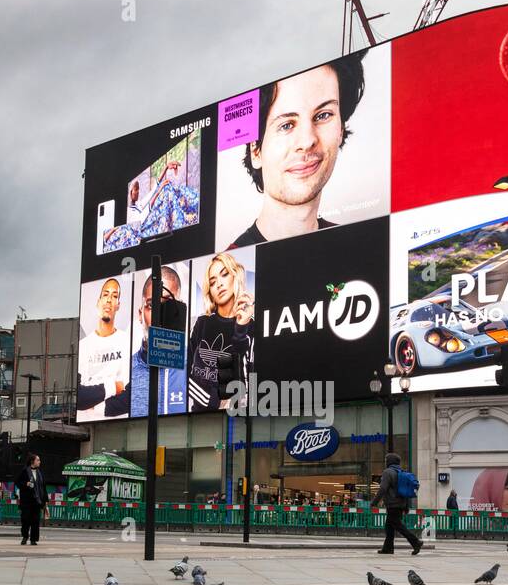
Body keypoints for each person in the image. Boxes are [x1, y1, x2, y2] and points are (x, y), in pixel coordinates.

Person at [230, 51, 367, 248]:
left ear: (341, 129)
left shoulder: (359, 247)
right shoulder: (230, 263)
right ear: (256, 151)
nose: (308, 140)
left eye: (323, 115)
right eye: (286, 125)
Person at [187, 252, 254, 411]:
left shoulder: (250, 325)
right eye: (212, 281)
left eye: (224, 275)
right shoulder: (202, 323)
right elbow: (182, 373)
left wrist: (240, 329)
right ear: (209, 290)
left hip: (237, 416)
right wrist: (213, 400)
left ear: (235, 276)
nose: (219, 284)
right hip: (198, 418)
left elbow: (246, 377)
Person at [129, 265, 189, 417]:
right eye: (151, 306)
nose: (159, 315)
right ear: (140, 313)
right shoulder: (126, 370)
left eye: (167, 305)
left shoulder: (194, 364)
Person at [77, 278, 130, 421]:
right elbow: (79, 397)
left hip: (122, 423)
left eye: (114, 296)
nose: (109, 300)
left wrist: (95, 405)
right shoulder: (83, 346)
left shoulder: (127, 342)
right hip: (86, 426)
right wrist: (113, 386)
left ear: (118, 305)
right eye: (105, 294)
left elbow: (129, 395)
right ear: (98, 301)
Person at [371, 452, 421, 556]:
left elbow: (383, 488)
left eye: (386, 460)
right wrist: (406, 506)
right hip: (400, 504)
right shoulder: (401, 472)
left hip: (392, 504)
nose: (385, 462)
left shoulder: (388, 472)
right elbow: (404, 491)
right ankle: (388, 548)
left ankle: (416, 542)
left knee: (398, 525)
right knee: (389, 526)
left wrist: (374, 502)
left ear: (389, 462)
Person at [15, 453, 46, 546]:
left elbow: (43, 487)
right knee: (25, 519)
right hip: (26, 501)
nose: (39, 462)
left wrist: (45, 501)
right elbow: (17, 482)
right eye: (38, 460)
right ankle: (25, 536)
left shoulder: (40, 473)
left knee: (35, 521)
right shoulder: (24, 471)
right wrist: (26, 484)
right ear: (32, 461)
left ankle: (33, 539)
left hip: (37, 501)